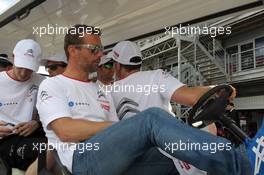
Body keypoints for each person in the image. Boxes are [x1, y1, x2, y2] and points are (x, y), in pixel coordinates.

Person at [36, 24, 262, 175]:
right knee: (151, 118)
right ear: (73, 50)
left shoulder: (102, 91)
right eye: (94, 49)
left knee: (185, 161)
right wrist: (124, 128)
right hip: (82, 160)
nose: (100, 55)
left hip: (111, 156)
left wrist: (124, 131)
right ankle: (242, 163)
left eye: (102, 50)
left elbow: (117, 133)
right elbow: (65, 131)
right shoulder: (52, 85)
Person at [109, 41, 215, 175]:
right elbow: (192, 98)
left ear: (117, 65)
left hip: (132, 158)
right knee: (210, 129)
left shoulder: (108, 92)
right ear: (139, 63)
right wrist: (217, 89)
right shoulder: (155, 77)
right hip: (166, 153)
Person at [0, 39, 47, 171]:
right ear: (13, 57)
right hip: (5, 140)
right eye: (20, 66)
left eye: (29, 69)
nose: (23, 73)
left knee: (63, 147)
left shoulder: (42, 82)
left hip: (33, 133)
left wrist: (36, 123)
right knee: (46, 150)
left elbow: (49, 112)